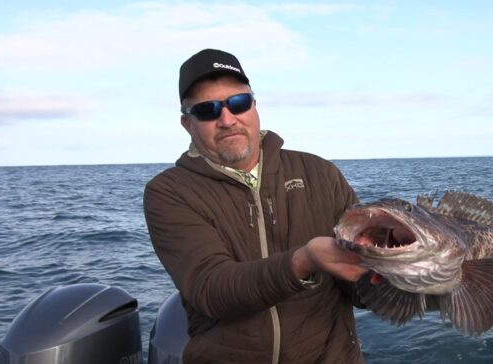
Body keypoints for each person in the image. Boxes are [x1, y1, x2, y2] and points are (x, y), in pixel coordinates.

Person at [143, 48, 368, 363]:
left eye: (238, 103)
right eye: (208, 110)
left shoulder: (319, 173)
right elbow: (211, 289)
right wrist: (303, 261)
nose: (227, 119)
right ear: (186, 123)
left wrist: (407, 276)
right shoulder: (169, 192)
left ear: (254, 105)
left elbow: (360, 287)